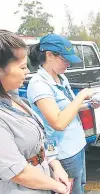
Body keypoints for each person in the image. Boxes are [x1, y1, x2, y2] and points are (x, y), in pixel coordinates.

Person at [27, 33, 100, 194]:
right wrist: (82, 95)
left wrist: (89, 105)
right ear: (49, 55)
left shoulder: (61, 77)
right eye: (65, 59)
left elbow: (68, 108)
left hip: (77, 145)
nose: (68, 64)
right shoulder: (39, 85)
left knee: (79, 187)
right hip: (63, 153)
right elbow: (58, 122)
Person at [0, 30, 71, 193]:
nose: (27, 72)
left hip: (43, 178)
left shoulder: (16, 100)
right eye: (23, 67)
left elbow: (41, 139)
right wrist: (57, 186)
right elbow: (19, 173)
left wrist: (55, 165)